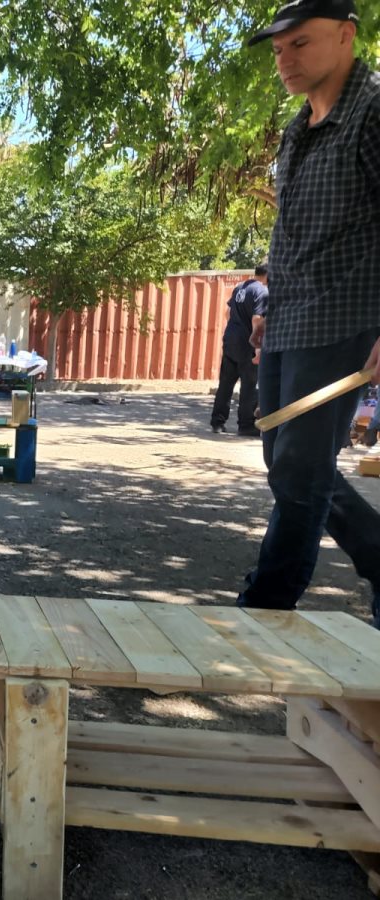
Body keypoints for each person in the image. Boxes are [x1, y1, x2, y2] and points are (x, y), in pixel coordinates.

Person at [240, 0, 380, 623]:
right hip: (291, 318)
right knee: (282, 455)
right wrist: (271, 303)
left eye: (301, 43)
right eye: (278, 50)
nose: (285, 59)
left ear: (348, 36)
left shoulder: (373, 112)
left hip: (345, 317)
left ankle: (264, 606)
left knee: (299, 468)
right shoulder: (299, 127)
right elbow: (290, 231)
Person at [211, 264, 268, 436]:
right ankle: (246, 425)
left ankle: (217, 422)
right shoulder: (262, 292)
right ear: (268, 275)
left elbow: (227, 313)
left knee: (226, 384)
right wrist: (257, 346)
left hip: (230, 340)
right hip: (246, 344)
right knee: (250, 386)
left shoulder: (240, 287)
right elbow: (257, 318)